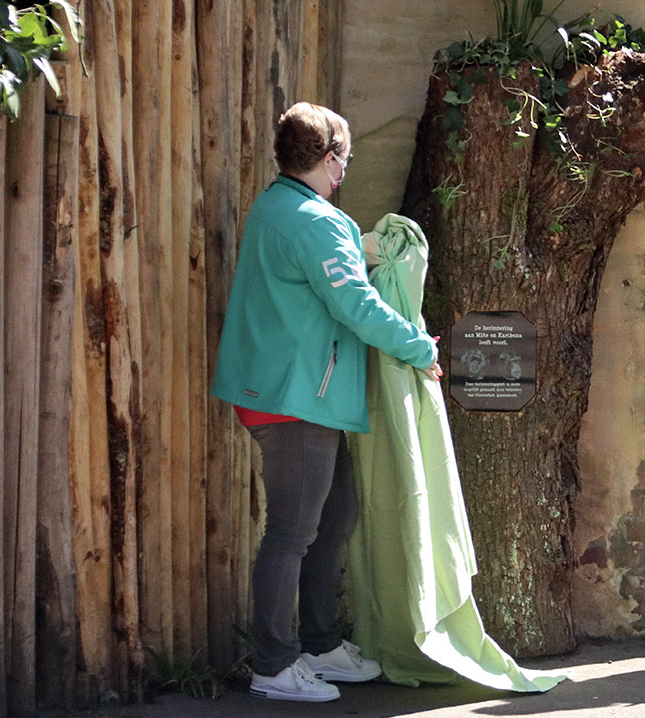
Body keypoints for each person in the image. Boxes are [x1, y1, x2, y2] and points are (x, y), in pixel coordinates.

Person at [211, 102, 443, 703]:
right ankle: (274, 664)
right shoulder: (315, 220)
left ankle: (319, 645)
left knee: (332, 519)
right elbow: (356, 307)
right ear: (329, 158)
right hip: (295, 398)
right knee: (292, 533)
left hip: (293, 392)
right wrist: (419, 346)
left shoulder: (282, 206)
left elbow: (326, 281)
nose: (346, 166)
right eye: (345, 155)